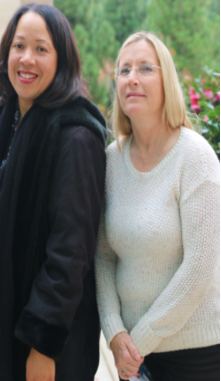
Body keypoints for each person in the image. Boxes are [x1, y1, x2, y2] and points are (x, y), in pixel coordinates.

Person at [0, 3, 107, 381]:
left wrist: (42, 344)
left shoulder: (76, 136)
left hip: (45, 340)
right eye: (19, 46)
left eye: (41, 49)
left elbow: (70, 252)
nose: (27, 59)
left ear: (61, 60)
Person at [95, 31, 220, 381]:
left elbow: (199, 269)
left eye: (145, 68)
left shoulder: (195, 158)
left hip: (194, 355)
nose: (132, 78)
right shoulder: (111, 162)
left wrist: (138, 342)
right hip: (132, 356)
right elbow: (103, 255)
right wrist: (114, 331)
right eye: (124, 70)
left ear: (167, 81)